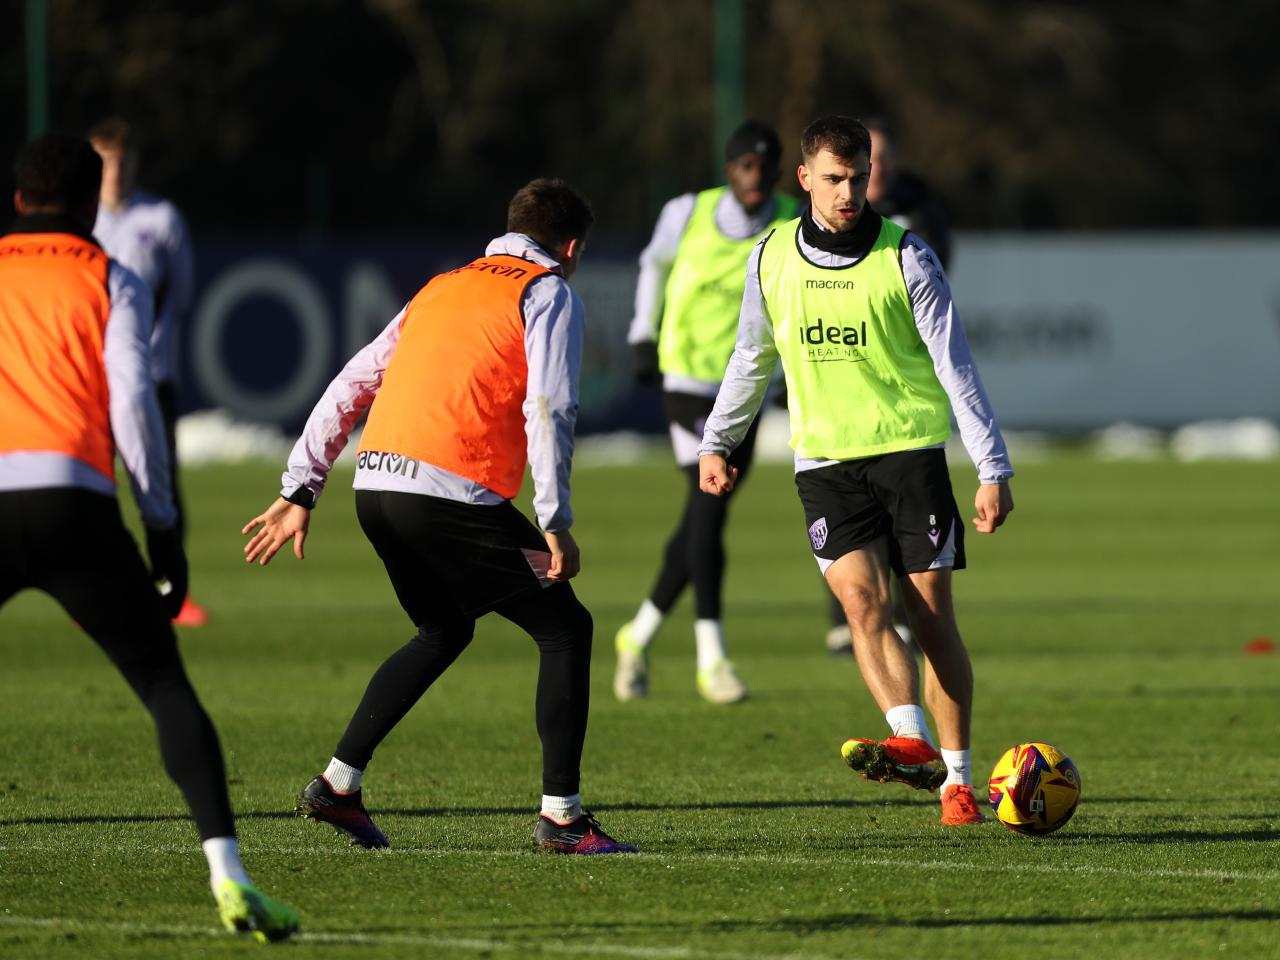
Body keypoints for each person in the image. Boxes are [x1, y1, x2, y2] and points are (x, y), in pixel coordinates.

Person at [242, 178, 636, 856]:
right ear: (572, 247)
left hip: (375, 486)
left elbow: (353, 382)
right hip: (447, 494)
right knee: (566, 629)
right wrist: (554, 519)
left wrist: (301, 487)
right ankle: (563, 819)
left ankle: (338, 785)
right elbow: (550, 408)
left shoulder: (443, 286)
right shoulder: (546, 293)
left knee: (443, 629)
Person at [0, 134, 297, 940]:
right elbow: (132, 400)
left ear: (19, 199)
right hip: (73, 500)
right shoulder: (110, 276)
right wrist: (161, 525)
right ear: (89, 203)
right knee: (164, 685)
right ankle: (231, 878)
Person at [697, 116, 1015, 826]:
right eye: (833, 178)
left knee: (929, 620)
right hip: (825, 462)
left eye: (858, 177)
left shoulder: (909, 258)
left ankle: (958, 781)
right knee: (863, 605)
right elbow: (752, 355)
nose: (848, 192)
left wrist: (992, 467)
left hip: (909, 455)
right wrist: (718, 440)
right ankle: (909, 738)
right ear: (804, 179)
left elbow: (956, 368)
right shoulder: (769, 256)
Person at [615, 122, 800, 705]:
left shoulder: (792, 218)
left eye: (765, 168)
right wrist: (642, 333)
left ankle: (637, 635)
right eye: (746, 166)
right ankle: (711, 658)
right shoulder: (687, 212)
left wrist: (792, 372)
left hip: (745, 389)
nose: (755, 177)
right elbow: (654, 266)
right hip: (689, 380)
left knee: (702, 516)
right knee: (709, 507)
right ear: (728, 170)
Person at [823, 117, 955, 656]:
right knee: (842, 502)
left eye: (877, 166)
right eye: (852, 171)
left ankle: (905, 615)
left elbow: (941, 271)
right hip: (840, 390)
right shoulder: (810, 230)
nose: (866, 179)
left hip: (900, 390)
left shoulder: (915, 217)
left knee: (901, 521)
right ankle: (843, 617)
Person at [88, 117, 206, 627]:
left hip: (150, 374)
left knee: (161, 480)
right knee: (94, 483)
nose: (114, 171)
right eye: (104, 161)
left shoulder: (160, 219)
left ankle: (174, 589)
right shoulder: (83, 221)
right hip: (92, 376)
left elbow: (181, 294)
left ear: (135, 162)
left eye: (122, 160)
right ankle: (92, 592)